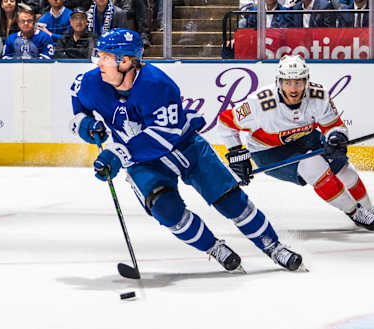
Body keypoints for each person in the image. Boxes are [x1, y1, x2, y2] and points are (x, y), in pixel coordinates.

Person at [69, 28, 304, 272]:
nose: (100, 63)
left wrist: (119, 153)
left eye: (107, 57)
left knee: (229, 200)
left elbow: (163, 137)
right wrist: (83, 123)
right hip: (142, 162)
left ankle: (273, 246)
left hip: (185, 146)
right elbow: (77, 99)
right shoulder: (91, 82)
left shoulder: (157, 85)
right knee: (165, 210)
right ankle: (214, 248)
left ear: (126, 61)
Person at [218, 55, 374, 232]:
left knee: (344, 171)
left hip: (306, 138)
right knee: (314, 166)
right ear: (278, 82)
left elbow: (333, 125)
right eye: (287, 82)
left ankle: (369, 208)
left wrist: (336, 137)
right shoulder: (259, 103)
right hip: (269, 151)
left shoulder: (318, 95)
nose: (293, 88)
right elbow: (225, 122)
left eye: (298, 82)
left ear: (307, 81)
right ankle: (355, 212)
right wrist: (236, 154)